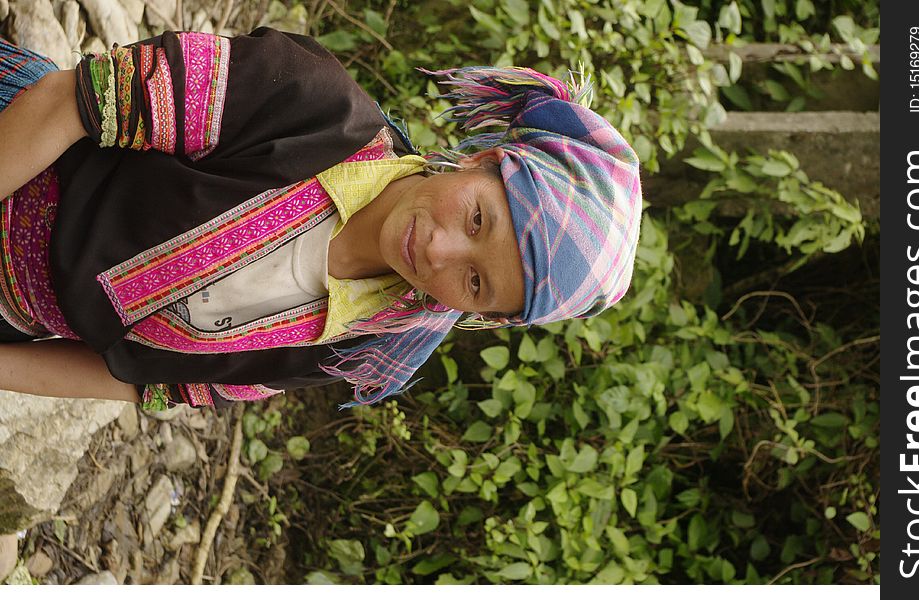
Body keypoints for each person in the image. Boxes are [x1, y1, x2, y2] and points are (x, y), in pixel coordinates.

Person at [0, 27, 643, 411]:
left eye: (475, 283)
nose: (442, 252)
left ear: (484, 316)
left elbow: (148, 384)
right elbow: (69, 103)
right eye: (479, 220)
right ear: (483, 160)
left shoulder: (351, 348)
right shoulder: (313, 104)